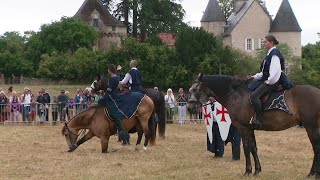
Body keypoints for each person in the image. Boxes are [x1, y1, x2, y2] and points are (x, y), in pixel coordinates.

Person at [247, 35, 292, 128]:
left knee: (254, 96)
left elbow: (275, 71)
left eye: (265, 42)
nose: (264, 43)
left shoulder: (274, 54)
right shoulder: (270, 53)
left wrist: (269, 81)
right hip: (270, 78)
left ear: (271, 42)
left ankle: (260, 120)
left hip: (274, 80)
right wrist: (254, 77)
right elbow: (265, 72)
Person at [98, 64, 130, 142]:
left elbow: (109, 91)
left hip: (112, 97)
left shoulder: (112, 79)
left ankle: (121, 130)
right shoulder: (117, 77)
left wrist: (102, 100)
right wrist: (119, 70)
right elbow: (118, 76)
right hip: (117, 95)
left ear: (109, 70)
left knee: (114, 112)